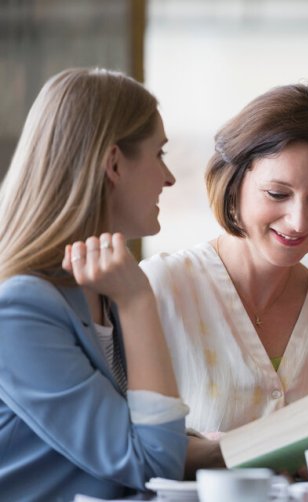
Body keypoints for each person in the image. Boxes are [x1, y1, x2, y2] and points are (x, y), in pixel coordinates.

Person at [141, 83, 308, 445]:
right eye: (277, 194)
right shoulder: (159, 290)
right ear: (234, 183)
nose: (298, 220)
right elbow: (120, 449)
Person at [0, 68, 187, 500]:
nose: (170, 177)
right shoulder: (20, 310)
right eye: (159, 154)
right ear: (114, 163)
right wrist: (139, 302)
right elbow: (152, 465)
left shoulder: (99, 286)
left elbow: (133, 441)